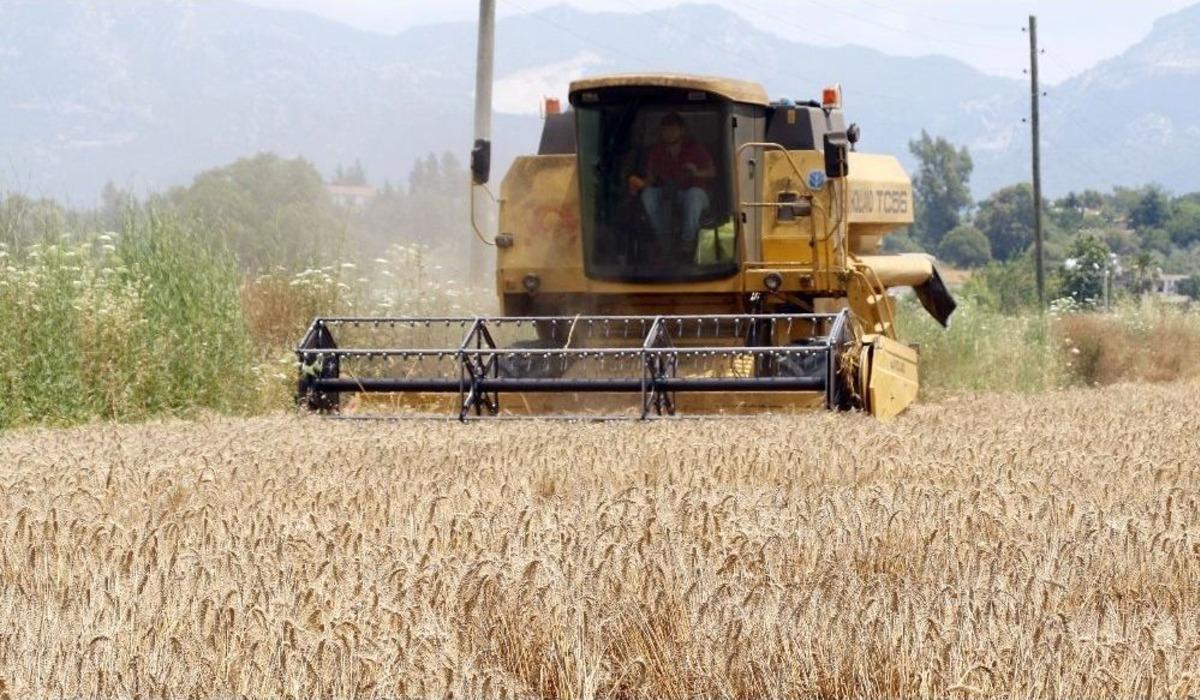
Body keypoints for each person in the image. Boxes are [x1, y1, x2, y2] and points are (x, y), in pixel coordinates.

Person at [627, 112, 715, 250]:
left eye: (673, 129)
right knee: (648, 195)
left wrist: (695, 172)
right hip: (668, 192)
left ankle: (688, 242)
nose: (669, 133)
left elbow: (712, 172)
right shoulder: (657, 151)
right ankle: (664, 243)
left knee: (693, 195)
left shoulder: (694, 148)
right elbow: (650, 179)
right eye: (665, 130)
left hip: (695, 194)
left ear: (682, 130)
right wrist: (637, 183)